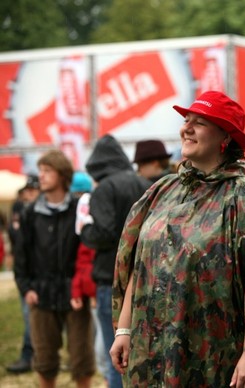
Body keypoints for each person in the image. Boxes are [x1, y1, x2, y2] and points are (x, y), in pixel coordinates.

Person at [108, 91, 245, 386]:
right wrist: (124, 331)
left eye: (200, 122)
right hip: (152, 352)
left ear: (226, 137)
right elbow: (139, 265)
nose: (187, 128)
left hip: (211, 355)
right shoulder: (161, 192)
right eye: (186, 120)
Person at [14, 150, 94, 388]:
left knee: (82, 359)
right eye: (40, 170)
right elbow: (21, 255)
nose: (42, 175)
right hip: (41, 293)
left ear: (62, 174)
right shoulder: (30, 213)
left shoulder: (79, 209)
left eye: (47, 170)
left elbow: (88, 250)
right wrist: (26, 288)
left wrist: (82, 285)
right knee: (45, 361)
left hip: (74, 293)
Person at [80, 134, 151, 388]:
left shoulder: (105, 188)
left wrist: (84, 230)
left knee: (116, 356)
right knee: (144, 356)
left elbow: (105, 233)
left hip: (112, 281)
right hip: (146, 280)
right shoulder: (146, 184)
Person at [69, 171, 110, 384]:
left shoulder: (103, 233)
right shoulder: (85, 237)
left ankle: (110, 381)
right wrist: (77, 291)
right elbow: (81, 265)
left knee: (104, 351)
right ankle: (107, 381)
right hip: (91, 299)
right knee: (98, 350)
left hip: (101, 296)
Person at [5, 175, 40, 374]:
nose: (30, 193)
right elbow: (15, 236)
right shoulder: (20, 210)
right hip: (25, 271)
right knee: (28, 316)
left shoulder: (41, 212)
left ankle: (35, 356)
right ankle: (29, 356)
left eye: (33, 189)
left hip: (40, 273)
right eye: (28, 190)